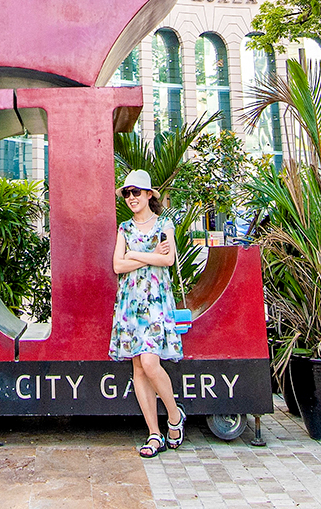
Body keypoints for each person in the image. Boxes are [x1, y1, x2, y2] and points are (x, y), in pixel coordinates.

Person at [110, 168, 184, 458]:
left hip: (155, 303)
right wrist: (147, 257)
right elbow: (117, 266)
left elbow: (168, 260)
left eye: (136, 192)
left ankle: (175, 417)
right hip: (130, 302)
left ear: (149, 194)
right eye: (127, 193)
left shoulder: (164, 224)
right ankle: (154, 433)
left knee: (151, 363)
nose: (131, 197)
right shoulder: (124, 229)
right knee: (138, 367)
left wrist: (134, 255)